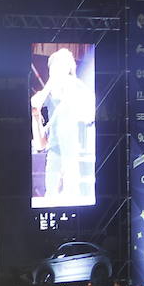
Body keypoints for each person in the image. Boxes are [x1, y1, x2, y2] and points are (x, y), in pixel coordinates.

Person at [30, 47, 94, 206]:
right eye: (53, 68)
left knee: (71, 188)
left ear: (67, 68)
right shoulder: (51, 89)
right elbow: (35, 103)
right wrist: (49, 85)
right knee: (50, 187)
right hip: (54, 144)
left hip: (71, 143)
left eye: (58, 67)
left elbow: (90, 109)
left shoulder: (76, 86)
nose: (55, 70)